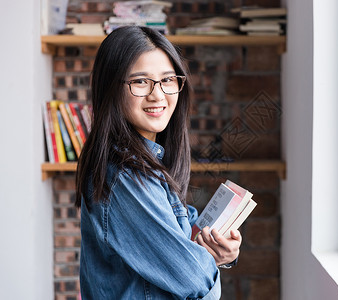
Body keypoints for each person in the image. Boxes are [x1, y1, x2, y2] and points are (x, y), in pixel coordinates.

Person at [75, 26, 242, 299]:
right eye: (140, 82)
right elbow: (194, 280)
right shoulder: (125, 174)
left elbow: (186, 229)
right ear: (111, 88)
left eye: (168, 80)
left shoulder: (148, 161)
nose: (158, 95)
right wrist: (210, 263)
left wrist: (222, 252)